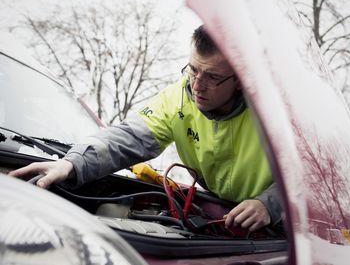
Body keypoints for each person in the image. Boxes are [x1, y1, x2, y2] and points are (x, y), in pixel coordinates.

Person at [9, 25, 282, 232]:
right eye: (193, 70)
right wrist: (71, 164)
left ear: (240, 80)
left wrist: (268, 204)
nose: (197, 85)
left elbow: (312, 175)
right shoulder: (176, 100)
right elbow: (127, 138)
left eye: (212, 77)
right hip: (216, 211)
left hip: (277, 225)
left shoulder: (275, 114)